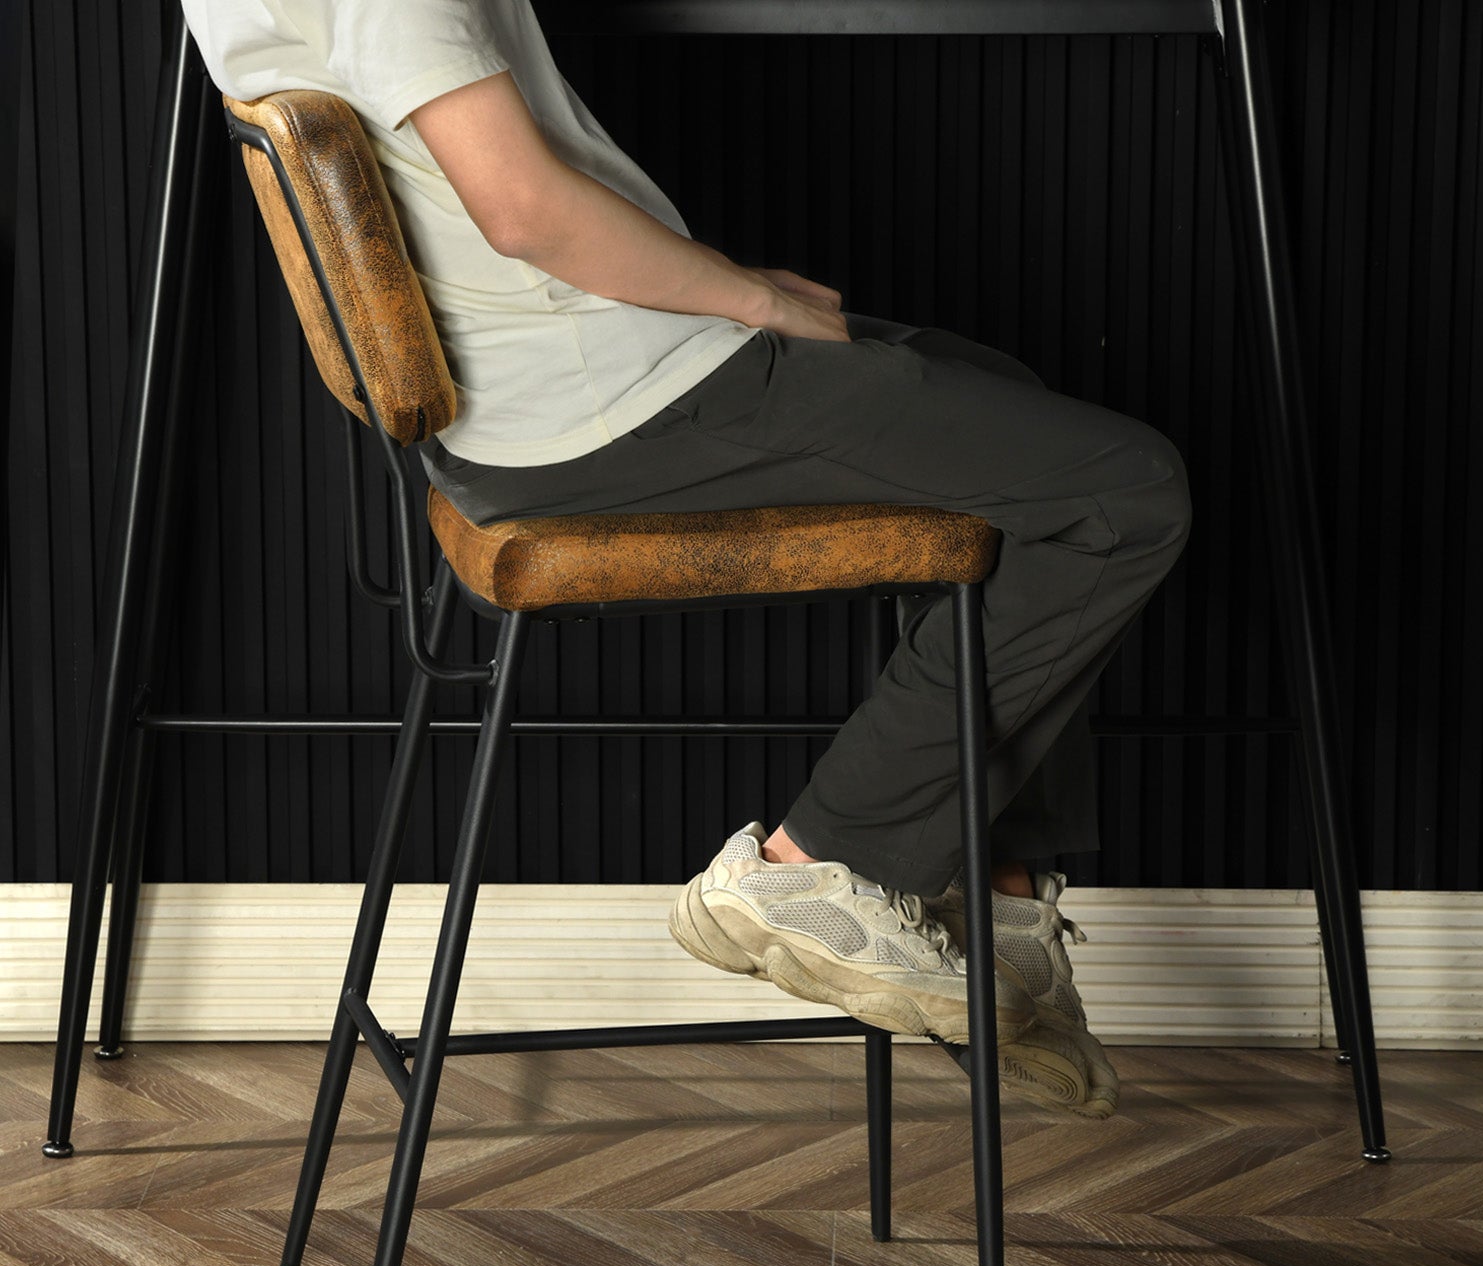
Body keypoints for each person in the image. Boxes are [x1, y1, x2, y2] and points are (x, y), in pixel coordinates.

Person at [181, 0, 1192, 1121]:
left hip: (539, 397)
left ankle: (992, 900)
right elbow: (520, 211)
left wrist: (717, 284)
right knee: (1122, 494)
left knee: (1006, 403)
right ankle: (810, 866)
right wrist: (750, 298)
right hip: (609, 403)